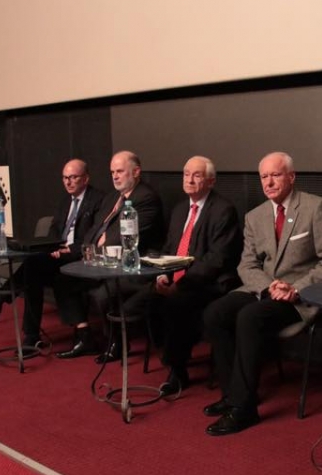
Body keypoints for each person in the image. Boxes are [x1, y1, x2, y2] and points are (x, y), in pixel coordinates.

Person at [202, 152, 322, 436]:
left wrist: (296, 288)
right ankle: (233, 394)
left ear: (291, 177)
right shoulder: (255, 216)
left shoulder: (315, 207)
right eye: (264, 177)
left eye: (275, 175)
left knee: (249, 317)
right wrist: (268, 286)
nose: (268, 182)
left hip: (299, 295)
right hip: (263, 288)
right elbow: (247, 265)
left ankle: (244, 409)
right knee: (215, 313)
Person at [121, 156, 242, 395]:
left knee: (175, 305)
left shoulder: (223, 210)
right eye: (186, 174)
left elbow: (217, 260)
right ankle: (171, 353)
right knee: (142, 304)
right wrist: (162, 275)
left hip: (208, 284)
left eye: (197, 175)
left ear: (211, 181)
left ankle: (177, 370)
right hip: (174, 279)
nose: (189, 180)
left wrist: (181, 283)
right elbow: (169, 250)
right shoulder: (179, 210)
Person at [55, 150, 165, 362]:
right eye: (112, 172)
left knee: (102, 294)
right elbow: (92, 232)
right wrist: (96, 243)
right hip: (104, 261)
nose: (115, 176)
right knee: (64, 280)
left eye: (120, 171)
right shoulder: (112, 197)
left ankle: (117, 343)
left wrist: (103, 240)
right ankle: (85, 336)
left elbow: (123, 238)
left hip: (133, 266)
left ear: (136, 172)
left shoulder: (145, 198)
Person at [19, 159, 105, 346]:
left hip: (79, 256)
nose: (68, 182)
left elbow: (94, 236)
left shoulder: (98, 200)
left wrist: (69, 250)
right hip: (58, 255)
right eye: (65, 178)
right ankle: (31, 334)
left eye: (73, 177)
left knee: (31, 268)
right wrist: (53, 247)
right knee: (32, 268)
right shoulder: (66, 200)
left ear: (86, 178)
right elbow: (54, 230)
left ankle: (28, 331)